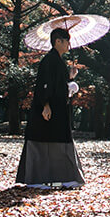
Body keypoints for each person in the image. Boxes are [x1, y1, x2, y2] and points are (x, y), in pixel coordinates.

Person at [16, 27, 84, 190]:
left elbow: (57, 85)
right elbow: (44, 84)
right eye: (66, 40)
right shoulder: (49, 60)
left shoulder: (57, 61)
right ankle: (39, 179)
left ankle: (64, 177)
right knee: (44, 141)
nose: (69, 44)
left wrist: (69, 78)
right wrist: (45, 105)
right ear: (57, 41)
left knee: (59, 140)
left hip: (58, 109)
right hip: (49, 109)